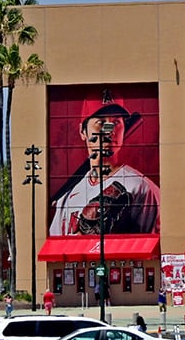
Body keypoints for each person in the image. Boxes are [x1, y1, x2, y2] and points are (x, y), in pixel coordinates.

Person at [49, 91, 161, 236]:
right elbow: (54, 250)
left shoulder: (141, 188)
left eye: (116, 122)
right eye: (101, 122)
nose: (110, 131)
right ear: (82, 132)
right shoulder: (66, 197)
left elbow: (155, 247)